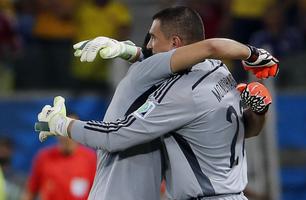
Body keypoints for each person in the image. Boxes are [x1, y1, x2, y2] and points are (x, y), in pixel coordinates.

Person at [36, 6, 277, 200]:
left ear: (175, 43)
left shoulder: (182, 94)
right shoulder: (219, 69)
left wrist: (63, 125)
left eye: (152, 38)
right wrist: (260, 112)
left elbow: (116, 135)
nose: (148, 45)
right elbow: (247, 130)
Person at [22, 115, 96, 200]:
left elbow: (98, 192)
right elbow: (30, 191)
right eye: (64, 129)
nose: (68, 135)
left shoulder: (90, 158)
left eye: (72, 130)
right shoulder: (44, 157)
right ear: (56, 131)